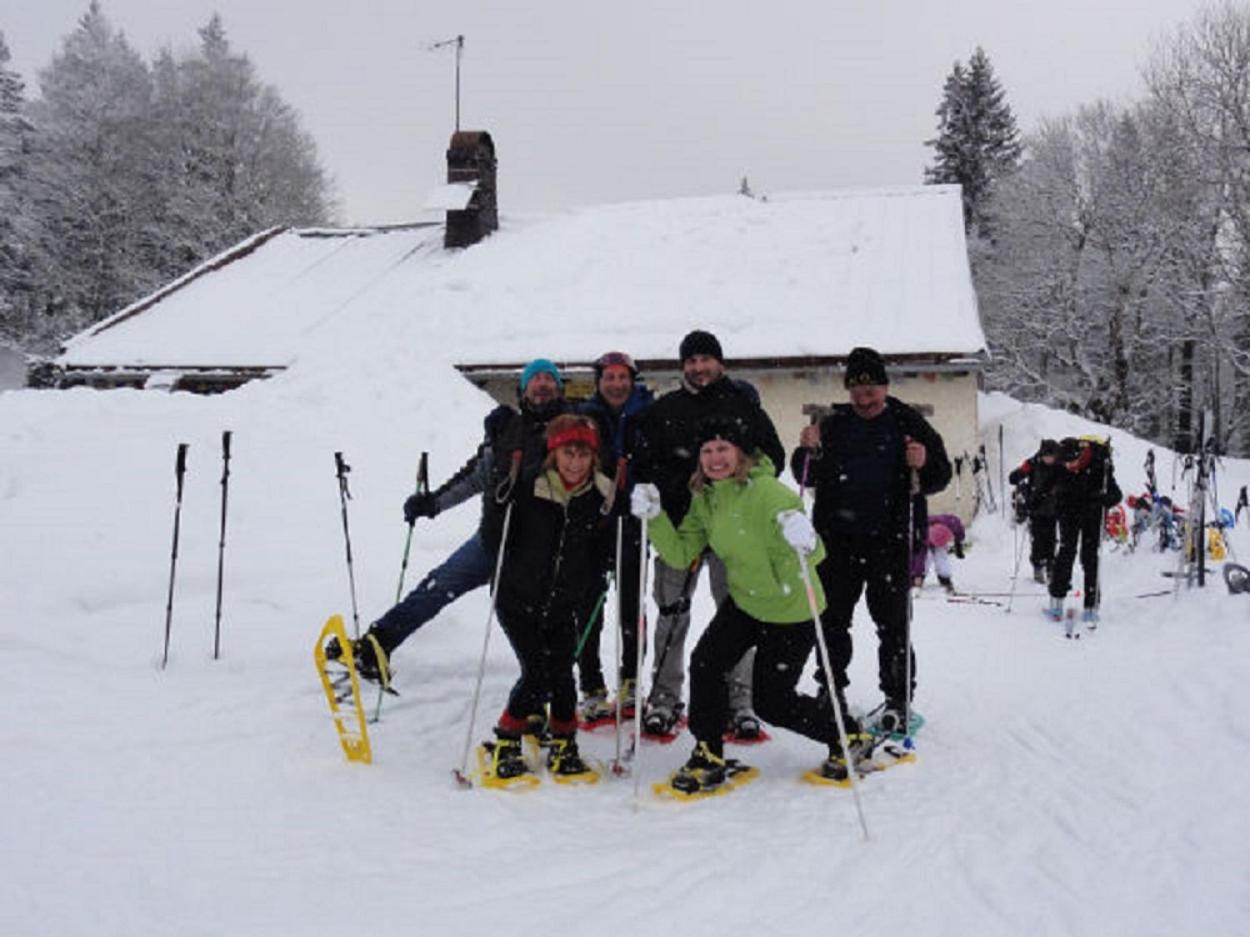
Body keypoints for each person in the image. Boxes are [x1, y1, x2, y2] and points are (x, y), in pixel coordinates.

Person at [632, 417, 864, 794]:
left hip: (791, 610)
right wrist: (655, 518)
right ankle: (708, 751)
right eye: (707, 451)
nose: (715, 458)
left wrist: (806, 539)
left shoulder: (771, 494)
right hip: (745, 603)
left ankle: (847, 734)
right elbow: (681, 553)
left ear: (742, 454)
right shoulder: (706, 498)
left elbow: (814, 554)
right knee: (706, 664)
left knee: (772, 702)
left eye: (723, 449)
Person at [329, 358, 571, 679]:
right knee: (438, 586)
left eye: (549, 378)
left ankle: (545, 681)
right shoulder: (507, 428)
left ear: (559, 388)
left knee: (531, 619)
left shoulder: (572, 429)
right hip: (493, 537)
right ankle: (377, 644)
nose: (542, 384)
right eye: (535, 379)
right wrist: (433, 503)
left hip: (539, 549)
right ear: (523, 389)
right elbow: (476, 477)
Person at [632, 329, 786, 740]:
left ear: (720, 362)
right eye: (691, 360)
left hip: (734, 530)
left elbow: (773, 458)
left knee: (738, 616)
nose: (699, 367)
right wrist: (673, 489)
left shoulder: (743, 405)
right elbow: (645, 462)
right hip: (682, 528)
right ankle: (664, 698)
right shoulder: (665, 410)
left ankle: (740, 701)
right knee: (671, 614)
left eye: (705, 359)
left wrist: (738, 485)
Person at [793, 346, 951, 735]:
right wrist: (806, 449)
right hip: (836, 541)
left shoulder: (907, 422)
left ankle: (898, 698)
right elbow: (804, 475)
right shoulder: (834, 423)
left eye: (871, 390)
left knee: (893, 626)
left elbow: (940, 475)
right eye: (856, 391)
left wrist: (924, 462)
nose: (864, 399)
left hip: (890, 541)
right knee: (832, 621)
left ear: (885, 386)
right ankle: (831, 690)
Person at [480, 414, 615, 780]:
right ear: (554, 453)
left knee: (563, 675)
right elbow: (493, 539)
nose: (576, 463)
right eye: (568, 453)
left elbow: (602, 545)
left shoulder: (600, 495)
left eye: (583, 455)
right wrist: (496, 506)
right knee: (537, 674)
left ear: (594, 457)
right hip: (517, 597)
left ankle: (564, 741)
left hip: (561, 602)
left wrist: (603, 564)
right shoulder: (528, 488)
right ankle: (507, 738)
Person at [574, 351, 654, 723]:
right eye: (610, 378)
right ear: (599, 382)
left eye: (623, 377)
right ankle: (591, 684)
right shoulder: (586, 415)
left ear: (632, 381)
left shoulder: (649, 413)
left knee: (631, 606)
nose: (617, 384)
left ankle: (632, 680)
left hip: (634, 520)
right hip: (594, 522)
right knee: (587, 605)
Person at [1047, 436, 1122, 624]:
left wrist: (1102, 499)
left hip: (1092, 516)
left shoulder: (1099, 464)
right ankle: (1056, 602)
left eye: (1072, 463)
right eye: (1065, 464)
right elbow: (1049, 486)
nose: (1069, 467)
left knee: (1090, 558)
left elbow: (1116, 495)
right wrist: (1036, 501)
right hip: (1069, 514)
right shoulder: (1061, 465)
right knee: (1065, 554)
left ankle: (1091, 606)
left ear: (1080, 456)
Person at [1008, 439, 1062, 584]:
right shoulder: (1033, 463)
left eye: (1051, 457)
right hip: (1036, 509)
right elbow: (1015, 477)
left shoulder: (1059, 466)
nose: (1048, 459)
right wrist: (1017, 476)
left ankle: (1051, 566)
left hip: (1053, 510)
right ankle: (1037, 566)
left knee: (1051, 540)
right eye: (1046, 456)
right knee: (1037, 540)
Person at [911, 513, 966, 592]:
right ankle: (919, 578)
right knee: (927, 557)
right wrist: (917, 574)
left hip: (939, 534)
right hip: (926, 538)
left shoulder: (953, 524)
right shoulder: (922, 534)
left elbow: (960, 533)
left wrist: (958, 545)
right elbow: (920, 557)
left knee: (941, 556)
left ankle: (944, 578)